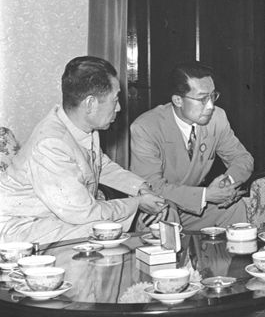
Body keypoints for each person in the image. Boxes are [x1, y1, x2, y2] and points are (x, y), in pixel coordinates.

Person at [0, 56, 167, 244]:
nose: (119, 107)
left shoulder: (81, 127)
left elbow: (102, 166)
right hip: (22, 228)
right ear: (90, 104)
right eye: (115, 99)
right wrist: (137, 204)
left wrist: (140, 188)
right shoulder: (51, 144)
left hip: (56, 219)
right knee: (106, 231)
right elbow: (82, 213)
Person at [130, 62, 254, 230]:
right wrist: (206, 195)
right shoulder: (146, 127)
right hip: (158, 206)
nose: (210, 106)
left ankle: (232, 248)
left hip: (192, 207)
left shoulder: (217, 118)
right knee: (166, 213)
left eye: (212, 96)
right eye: (202, 99)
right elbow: (153, 187)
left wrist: (227, 183)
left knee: (234, 207)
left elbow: (242, 158)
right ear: (178, 100)